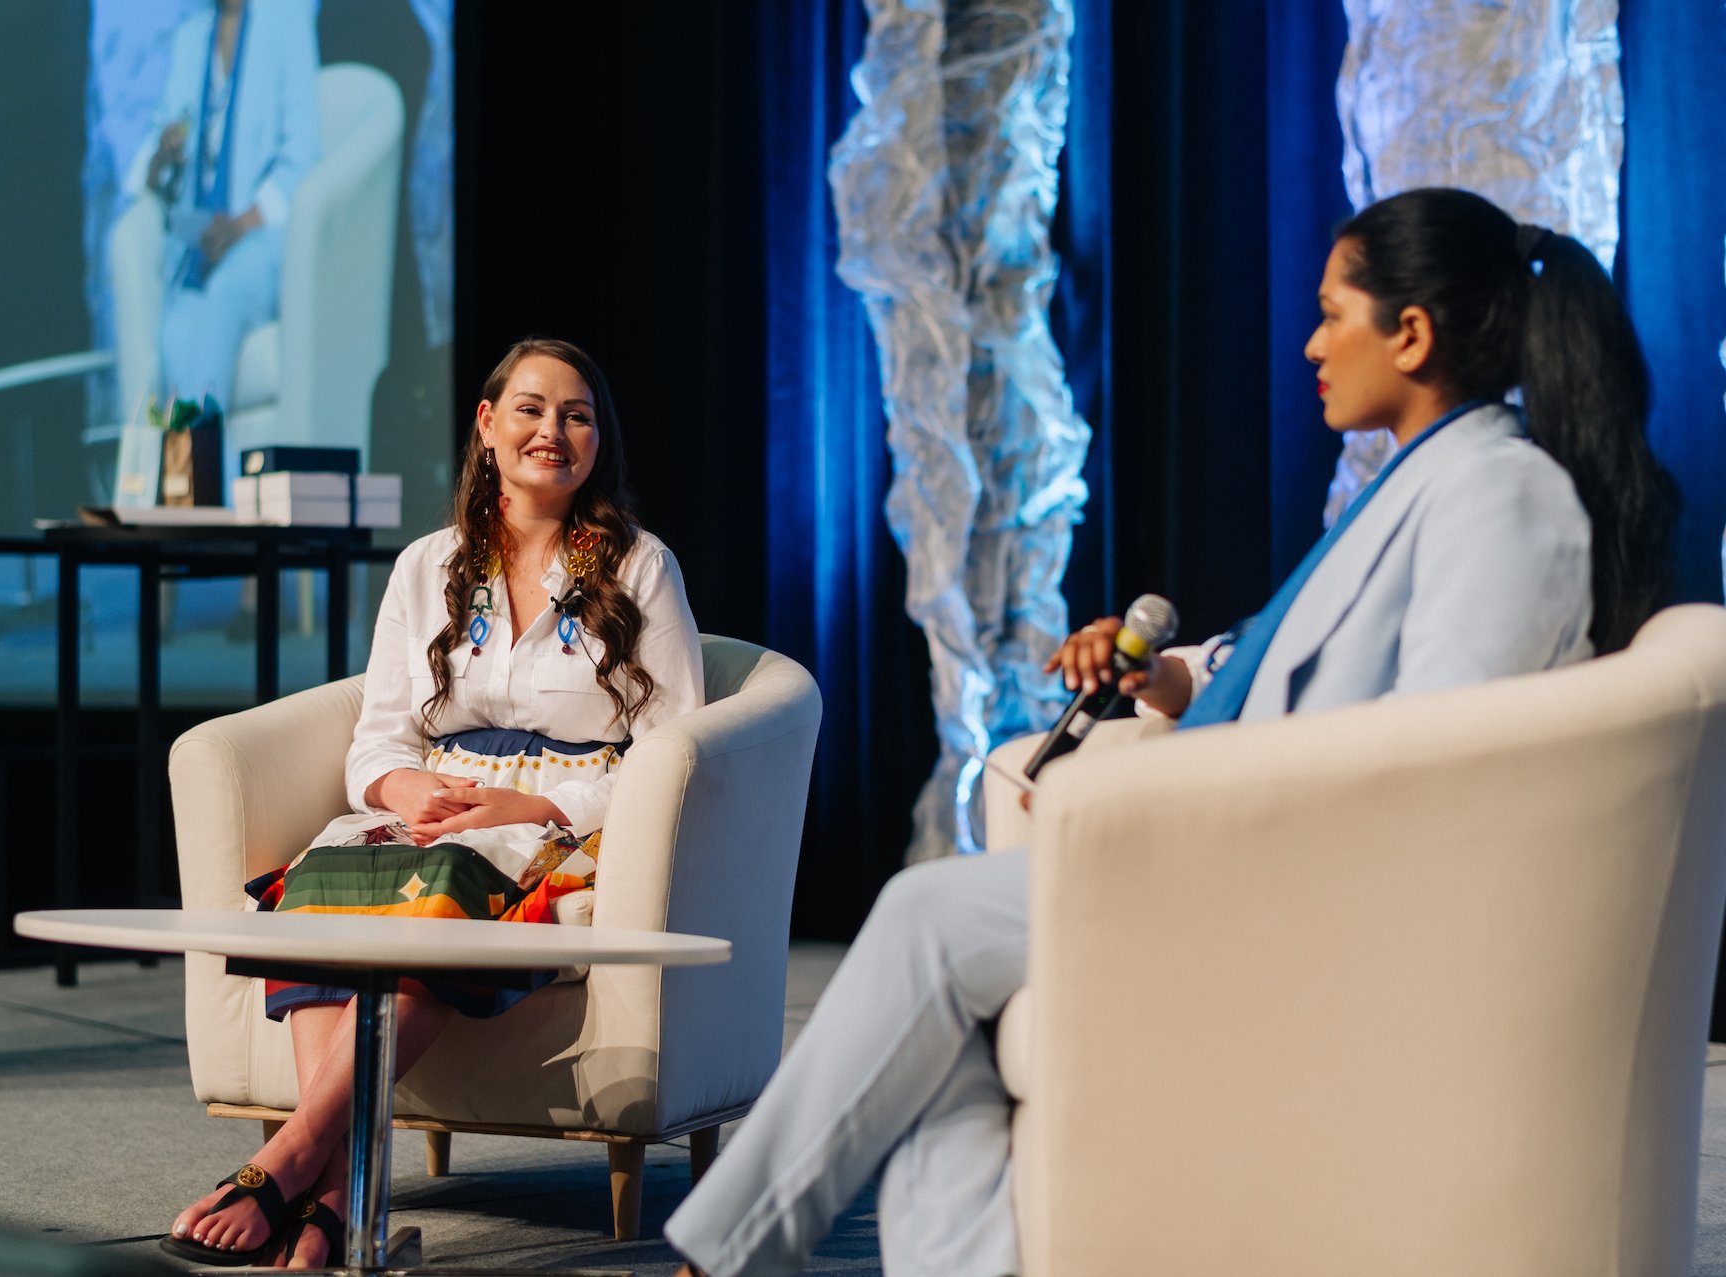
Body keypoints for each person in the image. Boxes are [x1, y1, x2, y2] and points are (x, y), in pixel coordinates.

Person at [663, 186, 1676, 1277]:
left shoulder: (1500, 495)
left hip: (1306, 901)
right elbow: (1277, 660)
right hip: (1246, 868)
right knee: (944, 1025)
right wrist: (1163, 676)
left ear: (1413, 332)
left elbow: (1434, 766)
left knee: (923, 917)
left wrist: (1159, 807)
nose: (1311, 343)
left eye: (1336, 313)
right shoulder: (1421, 483)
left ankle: (716, 1260)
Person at [164, 337, 705, 1268]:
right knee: (326, 876)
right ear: (488, 426)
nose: (554, 430)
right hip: (434, 798)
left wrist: (528, 809)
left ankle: (287, 1158)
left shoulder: (641, 567)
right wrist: (401, 783)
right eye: (531, 408)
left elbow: (672, 751)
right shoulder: (428, 565)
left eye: (578, 415)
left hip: (561, 821)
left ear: (597, 441)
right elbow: (377, 734)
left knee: (450, 882)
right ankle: (334, 1197)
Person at [128, 0, 319, 477]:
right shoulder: (192, 37)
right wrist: (162, 157)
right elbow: (160, 136)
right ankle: (195, 492)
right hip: (204, 246)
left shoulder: (286, 21)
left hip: (268, 236)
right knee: (176, 327)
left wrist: (241, 225)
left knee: (224, 295)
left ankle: (191, 484)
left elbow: (303, 153)